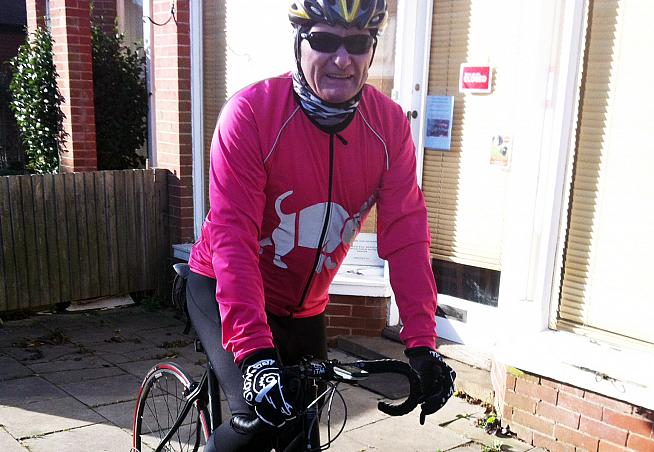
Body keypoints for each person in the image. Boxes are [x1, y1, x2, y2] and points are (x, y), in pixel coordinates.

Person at [186, 1, 456, 450]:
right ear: (299, 43)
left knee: (304, 434)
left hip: (305, 309)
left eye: (358, 43)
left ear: (372, 50)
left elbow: (407, 240)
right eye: (325, 40)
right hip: (221, 287)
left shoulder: (388, 126)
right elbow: (234, 240)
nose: (342, 59)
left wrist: (423, 344)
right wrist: (255, 354)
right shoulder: (252, 114)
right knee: (257, 423)